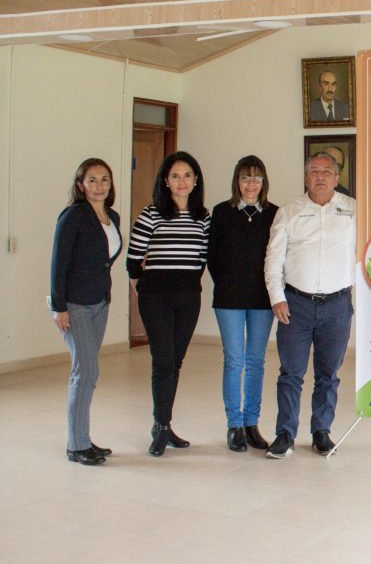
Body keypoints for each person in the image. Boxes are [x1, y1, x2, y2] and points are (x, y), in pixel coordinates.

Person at [263, 152, 355, 459]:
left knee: (329, 374)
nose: (320, 176)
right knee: (290, 373)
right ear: (306, 177)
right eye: (314, 171)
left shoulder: (354, 210)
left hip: (337, 305)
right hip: (296, 305)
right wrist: (276, 296)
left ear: (337, 178)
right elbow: (273, 258)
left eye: (326, 171)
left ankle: (321, 432)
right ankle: (285, 434)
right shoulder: (289, 211)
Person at [127, 151, 210, 457]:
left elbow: (202, 260)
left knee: (175, 362)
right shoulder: (151, 214)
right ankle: (160, 426)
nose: (181, 181)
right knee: (162, 361)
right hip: (155, 297)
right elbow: (133, 261)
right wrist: (144, 290)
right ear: (165, 181)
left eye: (187, 175)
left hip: (188, 297)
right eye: (175, 176)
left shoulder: (203, 218)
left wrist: (185, 285)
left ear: (196, 180)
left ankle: (164, 423)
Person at [50, 158, 123, 466]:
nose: (99, 185)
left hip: (99, 302)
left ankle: (83, 437)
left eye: (104, 179)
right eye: (92, 180)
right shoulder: (73, 216)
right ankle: (76, 445)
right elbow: (59, 263)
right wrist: (59, 307)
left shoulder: (112, 216)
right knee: (86, 371)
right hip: (74, 304)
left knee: (88, 371)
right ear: (80, 184)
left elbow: (105, 259)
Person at [208, 156, 279, 453]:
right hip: (229, 299)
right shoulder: (221, 212)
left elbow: (279, 255)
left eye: (257, 178)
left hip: (262, 299)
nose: (251, 184)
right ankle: (234, 424)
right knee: (234, 360)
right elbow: (212, 257)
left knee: (256, 362)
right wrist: (228, 282)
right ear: (236, 181)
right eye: (245, 177)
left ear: (264, 182)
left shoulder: (274, 213)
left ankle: (251, 423)